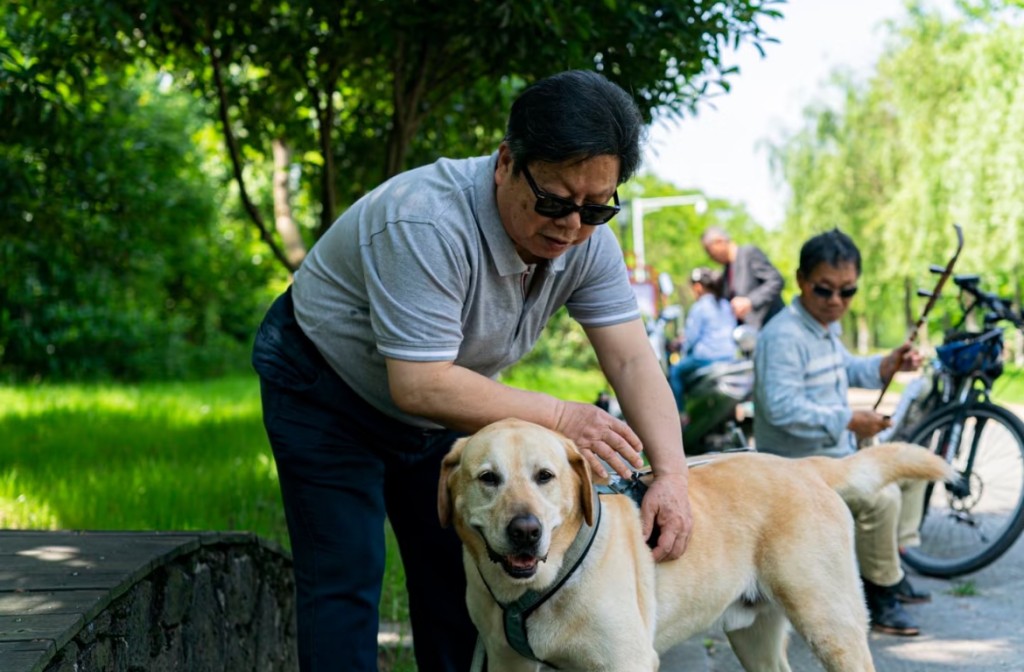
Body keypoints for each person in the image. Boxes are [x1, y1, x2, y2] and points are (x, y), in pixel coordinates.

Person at [251, 69, 694, 672]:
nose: (571, 226)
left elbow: (630, 358)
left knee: (463, 577)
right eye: (554, 201)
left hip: (445, 406)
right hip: (325, 388)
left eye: (596, 207)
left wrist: (672, 475)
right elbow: (419, 382)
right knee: (345, 574)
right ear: (506, 163)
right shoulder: (425, 221)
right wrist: (562, 417)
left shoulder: (588, 241)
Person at [752, 228, 930, 637]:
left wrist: (888, 364)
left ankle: (889, 563)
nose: (836, 301)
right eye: (825, 289)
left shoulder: (823, 327)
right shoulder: (784, 336)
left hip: (833, 457)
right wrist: (848, 420)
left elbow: (848, 368)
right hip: (796, 469)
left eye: (847, 291)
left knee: (913, 467)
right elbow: (780, 408)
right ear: (801, 280)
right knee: (881, 497)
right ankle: (880, 591)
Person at [668, 267, 737, 422]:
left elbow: (691, 339)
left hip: (705, 357)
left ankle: (681, 415)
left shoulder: (700, 307)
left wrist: (680, 347)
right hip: (729, 357)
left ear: (698, 287)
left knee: (675, 372)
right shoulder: (726, 305)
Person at [701, 225, 785, 329]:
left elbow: (776, 280)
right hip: (750, 333)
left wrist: (750, 301)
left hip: (772, 326)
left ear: (719, 241)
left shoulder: (748, 254)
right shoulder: (727, 270)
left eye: (709, 250)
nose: (710, 257)